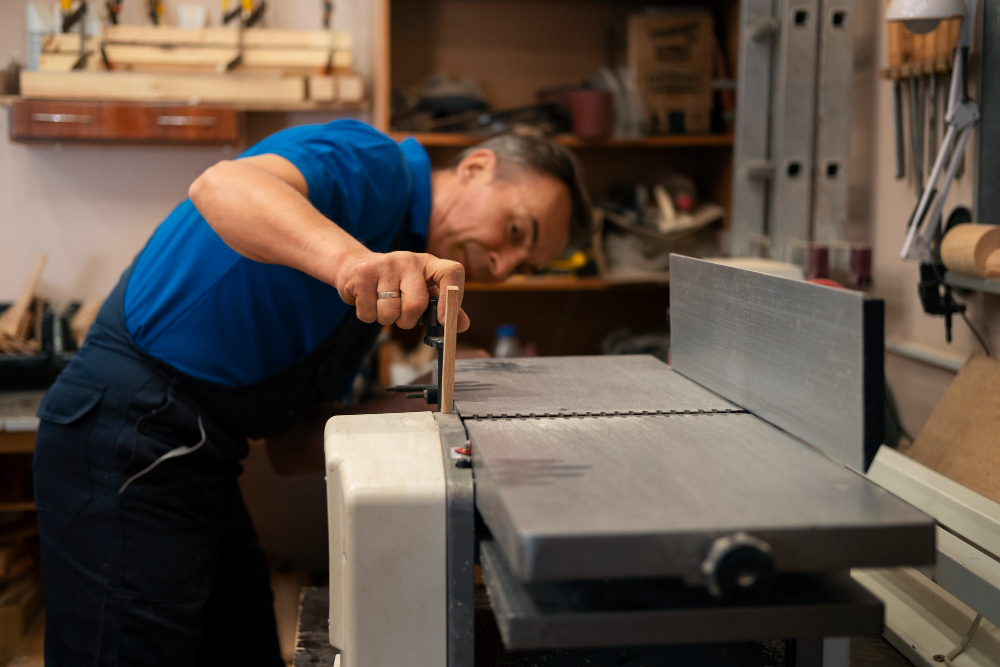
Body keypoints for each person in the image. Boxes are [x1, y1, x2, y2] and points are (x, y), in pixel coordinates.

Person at [32, 120, 591, 666]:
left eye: (525, 266)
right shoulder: (373, 163)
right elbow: (222, 184)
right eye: (515, 232)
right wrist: (352, 264)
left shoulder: (392, 268)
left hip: (199, 460)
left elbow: (291, 448)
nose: (504, 266)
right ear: (476, 168)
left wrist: (429, 398)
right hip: (124, 432)